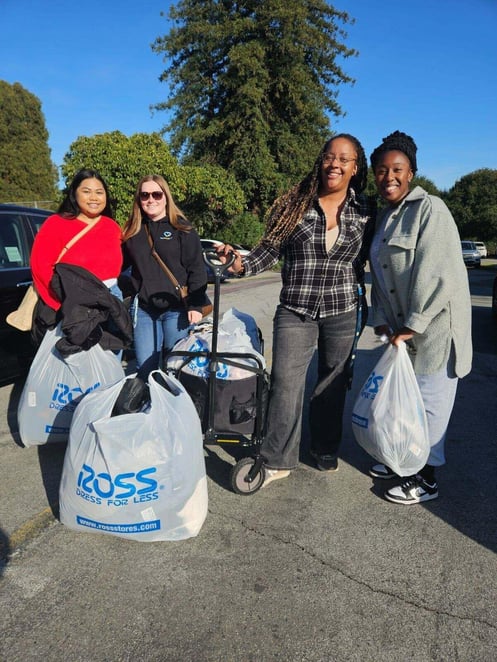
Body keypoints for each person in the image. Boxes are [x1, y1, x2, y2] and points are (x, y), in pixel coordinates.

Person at [218, 133, 375, 487]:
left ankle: (324, 447)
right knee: (287, 385)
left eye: (344, 159)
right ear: (321, 160)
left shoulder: (366, 209)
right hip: (296, 309)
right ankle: (278, 459)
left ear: (355, 168)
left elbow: (373, 258)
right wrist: (241, 265)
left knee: (332, 384)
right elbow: (269, 250)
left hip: (342, 309)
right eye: (329, 156)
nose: (334, 164)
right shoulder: (297, 203)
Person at [368, 131, 472, 504]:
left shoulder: (432, 210)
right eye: (380, 170)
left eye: (397, 169)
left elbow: (439, 272)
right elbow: (378, 274)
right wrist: (381, 318)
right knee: (405, 404)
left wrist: (412, 325)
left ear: (411, 172)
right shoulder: (385, 217)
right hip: (402, 333)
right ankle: (404, 462)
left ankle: (425, 479)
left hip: (435, 332)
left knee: (430, 408)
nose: (388, 177)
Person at [30, 168, 131, 353]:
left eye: (99, 192)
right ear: (74, 193)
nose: (94, 197)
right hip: (73, 302)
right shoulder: (56, 223)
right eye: (86, 191)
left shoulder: (112, 226)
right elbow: (41, 267)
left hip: (110, 297)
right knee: (76, 362)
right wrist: (61, 304)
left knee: (110, 357)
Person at [122, 174, 208, 377]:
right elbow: (117, 265)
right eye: (144, 195)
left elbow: (196, 268)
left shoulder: (182, 228)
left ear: (166, 197)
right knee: (145, 369)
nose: (150, 199)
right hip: (144, 311)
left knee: (175, 367)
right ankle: (149, 407)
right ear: (139, 199)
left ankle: (175, 407)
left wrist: (195, 305)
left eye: (156, 194)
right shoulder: (133, 232)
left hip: (177, 311)